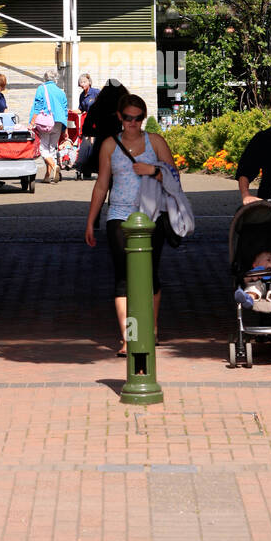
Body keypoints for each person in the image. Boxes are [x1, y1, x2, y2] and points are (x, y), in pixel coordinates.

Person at [84, 94, 177, 356]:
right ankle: (129, 337)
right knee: (123, 276)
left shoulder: (155, 142)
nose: (133, 123)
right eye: (128, 118)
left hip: (152, 215)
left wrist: (153, 171)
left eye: (138, 118)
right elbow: (102, 184)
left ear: (143, 118)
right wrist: (91, 221)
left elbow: (173, 175)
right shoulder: (109, 146)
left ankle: (152, 328)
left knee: (149, 274)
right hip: (119, 215)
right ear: (119, 117)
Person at [77, 78, 127, 181]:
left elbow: (86, 129)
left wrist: (99, 133)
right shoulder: (123, 107)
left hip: (101, 145)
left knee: (103, 181)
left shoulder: (96, 106)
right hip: (118, 144)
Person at [28, 69, 69, 183]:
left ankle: (55, 166)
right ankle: (47, 176)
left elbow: (37, 106)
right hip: (59, 122)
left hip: (46, 122)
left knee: (43, 149)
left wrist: (32, 122)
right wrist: (65, 129)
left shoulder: (42, 88)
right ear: (55, 79)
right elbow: (65, 110)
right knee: (51, 149)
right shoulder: (61, 92)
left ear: (45, 78)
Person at [234, 249, 271, 313]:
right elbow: (244, 280)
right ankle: (248, 299)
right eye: (268, 260)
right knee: (252, 288)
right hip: (258, 285)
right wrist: (251, 276)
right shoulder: (255, 270)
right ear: (255, 264)